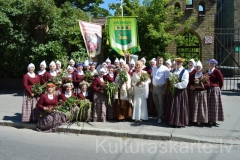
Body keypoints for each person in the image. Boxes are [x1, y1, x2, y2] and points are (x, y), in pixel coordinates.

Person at [168, 58, 189, 127]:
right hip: (174, 90)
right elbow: (171, 79)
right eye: (177, 62)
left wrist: (176, 85)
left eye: (180, 62)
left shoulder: (185, 71)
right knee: (174, 106)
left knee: (180, 106)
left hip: (181, 91)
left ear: (182, 63)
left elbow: (185, 83)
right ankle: (173, 121)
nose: (178, 63)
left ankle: (180, 122)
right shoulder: (174, 70)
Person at [189, 61, 210, 125]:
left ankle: (200, 120)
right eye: (197, 67)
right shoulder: (192, 75)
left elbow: (207, 84)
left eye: (199, 67)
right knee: (194, 106)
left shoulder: (204, 75)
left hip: (201, 93)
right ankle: (193, 119)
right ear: (195, 68)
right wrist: (191, 86)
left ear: (201, 68)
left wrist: (201, 86)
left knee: (201, 107)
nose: (198, 68)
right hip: (194, 92)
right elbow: (189, 83)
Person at [151, 57, 170, 123]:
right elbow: (152, 77)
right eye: (158, 60)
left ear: (163, 61)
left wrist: (165, 89)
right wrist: (151, 87)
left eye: (161, 60)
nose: (159, 61)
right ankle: (159, 114)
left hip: (161, 87)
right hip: (154, 87)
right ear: (156, 61)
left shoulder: (165, 69)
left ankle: (160, 117)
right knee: (156, 102)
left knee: (161, 103)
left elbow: (167, 80)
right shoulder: (154, 68)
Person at [206, 59, 224, 125]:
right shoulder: (207, 71)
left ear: (215, 64)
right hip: (208, 89)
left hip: (215, 89)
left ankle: (214, 120)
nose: (212, 64)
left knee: (215, 105)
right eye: (211, 63)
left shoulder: (217, 71)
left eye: (213, 63)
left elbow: (221, 81)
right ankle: (208, 119)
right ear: (209, 64)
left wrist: (218, 88)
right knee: (208, 105)